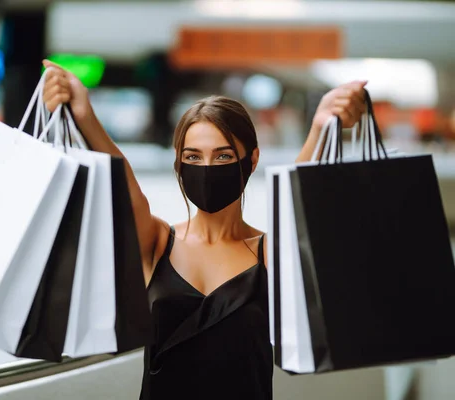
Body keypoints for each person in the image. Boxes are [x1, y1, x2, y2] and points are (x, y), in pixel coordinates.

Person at [42, 59, 367, 399]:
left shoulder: (268, 252)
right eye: (193, 157)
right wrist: (84, 117)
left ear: (251, 160)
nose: (206, 168)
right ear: (178, 163)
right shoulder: (157, 241)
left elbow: (297, 208)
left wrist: (320, 126)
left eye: (223, 156)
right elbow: (125, 188)